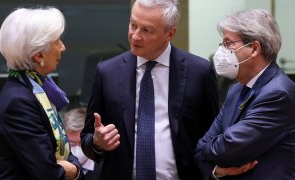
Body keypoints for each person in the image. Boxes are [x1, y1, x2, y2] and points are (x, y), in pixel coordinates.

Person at [81, 0, 219, 179]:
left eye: (146, 30)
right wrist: (97, 143)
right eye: (133, 25)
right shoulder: (107, 72)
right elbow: (87, 139)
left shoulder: (199, 72)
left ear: (170, 33)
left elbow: (213, 137)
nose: (135, 36)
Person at [195, 9, 295, 180]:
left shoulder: (278, 93)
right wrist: (217, 171)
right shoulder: (236, 90)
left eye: (228, 43)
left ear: (254, 48)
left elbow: (226, 151)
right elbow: (200, 150)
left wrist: (207, 148)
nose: (221, 51)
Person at [0, 6, 84, 180]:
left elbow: (63, 154)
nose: (63, 47)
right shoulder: (18, 101)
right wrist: (75, 171)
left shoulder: (37, 89)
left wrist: (74, 168)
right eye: (57, 41)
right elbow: (48, 173)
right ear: (39, 55)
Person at [64, 107, 102, 180]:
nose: (77, 150)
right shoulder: (58, 168)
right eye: (71, 143)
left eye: (81, 143)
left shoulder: (104, 169)